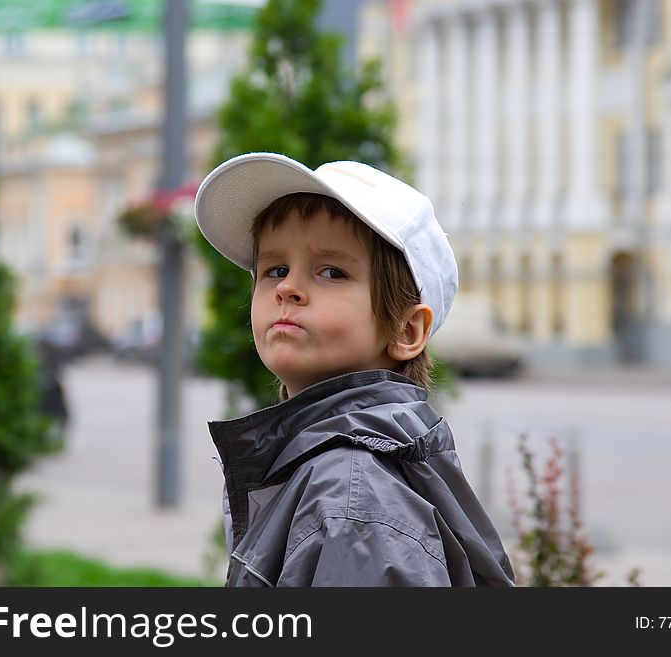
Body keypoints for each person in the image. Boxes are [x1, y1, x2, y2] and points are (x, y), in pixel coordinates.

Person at [194, 152, 515, 587]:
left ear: (405, 330)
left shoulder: (353, 502)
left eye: (331, 271)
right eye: (275, 268)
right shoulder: (330, 470)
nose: (288, 288)